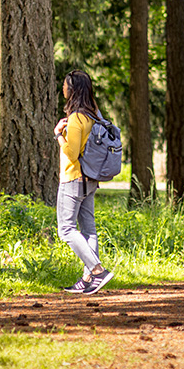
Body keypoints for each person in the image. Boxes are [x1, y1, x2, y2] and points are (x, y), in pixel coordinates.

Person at [54, 69, 114, 295]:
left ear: (74, 89)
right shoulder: (93, 114)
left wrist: (58, 134)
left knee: (66, 229)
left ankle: (98, 270)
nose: (63, 88)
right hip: (90, 179)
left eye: (65, 84)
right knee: (89, 230)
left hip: (73, 178)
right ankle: (88, 278)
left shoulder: (77, 117)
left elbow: (71, 152)